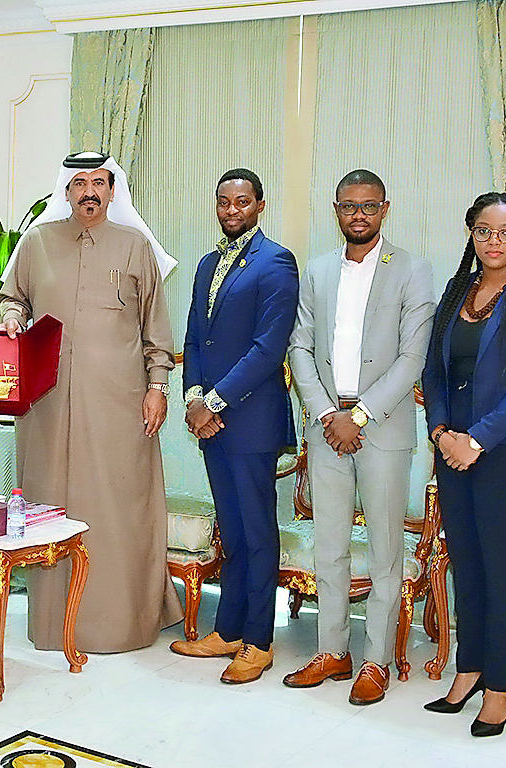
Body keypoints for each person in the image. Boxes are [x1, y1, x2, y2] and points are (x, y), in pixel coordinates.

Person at [0, 152, 182, 654]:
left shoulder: (135, 245)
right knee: (48, 508)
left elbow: (156, 329)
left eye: (97, 182)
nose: (88, 192)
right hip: (47, 405)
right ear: (65, 191)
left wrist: (157, 387)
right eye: (78, 183)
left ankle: (121, 623)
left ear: (112, 189)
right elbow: (13, 297)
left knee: (117, 509)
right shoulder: (37, 242)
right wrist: (13, 318)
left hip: (119, 405)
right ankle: (52, 626)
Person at [284, 169, 434, 703]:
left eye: (369, 206)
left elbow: (412, 356)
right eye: (349, 206)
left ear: (385, 208)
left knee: (386, 550)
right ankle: (332, 651)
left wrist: (361, 415)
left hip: (383, 428)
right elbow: (299, 347)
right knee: (329, 547)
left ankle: (377, 661)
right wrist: (328, 414)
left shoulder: (412, 270)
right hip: (327, 426)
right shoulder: (318, 270)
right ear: (336, 209)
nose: (359, 215)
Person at [421, 192, 506, 737]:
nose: (493, 242)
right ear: (471, 235)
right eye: (483, 231)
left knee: (503, 572)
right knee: (468, 567)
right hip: (453, 449)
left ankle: (500, 686)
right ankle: (470, 670)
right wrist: (440, 434)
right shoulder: (458, 290)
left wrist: (474, 440)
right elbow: (434, 373)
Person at [172, 168, 298, 684]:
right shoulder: (206, 264)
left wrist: (217, 401)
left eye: (242, 202)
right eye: (223, 201)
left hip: (250, 421)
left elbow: (269, 347)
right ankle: (227, 631)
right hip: (212, 421)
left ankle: (260, 641)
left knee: (258, 530)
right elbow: (196, 339)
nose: (231, 210)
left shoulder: (276, 262)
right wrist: (194, 397)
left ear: (259, 206)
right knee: (233, 530)